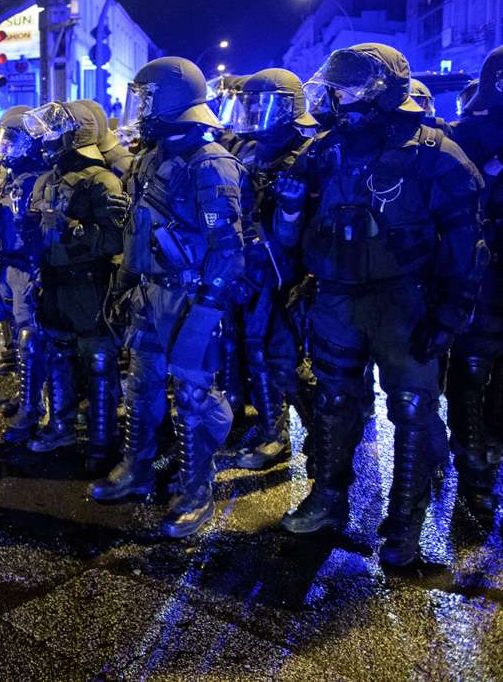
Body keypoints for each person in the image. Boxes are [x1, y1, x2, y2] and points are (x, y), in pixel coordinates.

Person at [273, 44, 486, 566]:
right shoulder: (324, 149)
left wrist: (450, 313)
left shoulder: (434, 152)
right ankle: (327, 498)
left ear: (380, 89)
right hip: (335, 297)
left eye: (346, 86)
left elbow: (467, 240)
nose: (336, 96)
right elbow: (288, 228)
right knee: (334, 400)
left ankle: (404, 520)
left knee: (413, 409)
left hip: (403, 300)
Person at [88, 57, 247, 538]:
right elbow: (134, 236)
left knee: (194, 397)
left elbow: (228, 251)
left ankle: (195, 491)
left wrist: (204, 315)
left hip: (191, 298)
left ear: (173, 100)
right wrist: (122, 289)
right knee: (142, 386)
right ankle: (137, 470)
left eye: (147, 96)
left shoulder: (211, 162)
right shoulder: (147, 159)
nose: (141, 106)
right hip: (150, 294)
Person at [20, 101, 125, 466]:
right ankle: (60, 427)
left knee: (99, 364)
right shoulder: (48, 179)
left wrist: (73, 228)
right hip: (54, 283)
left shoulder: (103, 180)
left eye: (55, 130)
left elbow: (115, 240)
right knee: (58, 358)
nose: (48, 138)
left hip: (89, 286)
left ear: (74, 134)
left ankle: (102, 440)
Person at [223, 69, 318, 470]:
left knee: (287, 361)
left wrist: (293, 212)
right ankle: (271, 433)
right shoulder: (246, 150)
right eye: (250, 104)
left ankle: (324, 438)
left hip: (292, 275)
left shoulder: (311, 153)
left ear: (287, 107)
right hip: (254, 268)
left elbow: (318, 225)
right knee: (254, 352)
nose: (254, 112)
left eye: (263, 104)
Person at [438, 45, 503, 517]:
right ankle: (475, 474)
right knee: (472, 371)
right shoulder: (469, 138)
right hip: (483, 270)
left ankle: (484, 464)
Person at [0, 107, 50, 442]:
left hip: (28, 266)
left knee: (30, 337)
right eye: (5, 140)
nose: (6, 147)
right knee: (16, 329)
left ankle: (32, 407)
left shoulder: (43, 176)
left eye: (13, 140)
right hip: (9, 262)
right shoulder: (11, 177)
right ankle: (28, 394)